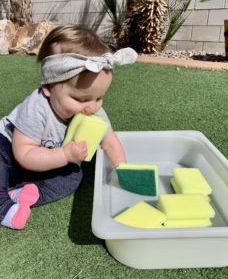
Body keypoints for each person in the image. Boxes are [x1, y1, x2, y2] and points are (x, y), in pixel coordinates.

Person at [0, 25, 137, 230]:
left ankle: (26, 193)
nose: (91, 107)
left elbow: (110, 143)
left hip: (44, 162)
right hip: (11, 153)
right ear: (48, 88)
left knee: (73, 178)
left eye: (99, 97)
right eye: (80, 99)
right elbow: (24, 154)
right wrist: (64, 155)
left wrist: (125, 173)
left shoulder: (93, 111)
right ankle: (3, 205)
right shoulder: (36, 107)